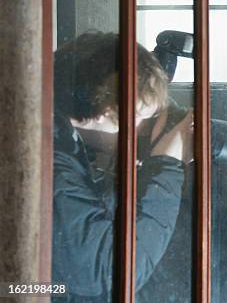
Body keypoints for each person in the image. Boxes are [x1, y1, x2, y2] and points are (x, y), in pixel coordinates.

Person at [52, 32, 193, 302]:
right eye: (144, 116)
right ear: (108, 108)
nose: (145, 128)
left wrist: (135, 176)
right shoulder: (46, 158)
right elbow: (106, 273)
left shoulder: (57, 135)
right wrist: (169, 165)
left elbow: (79, 223)